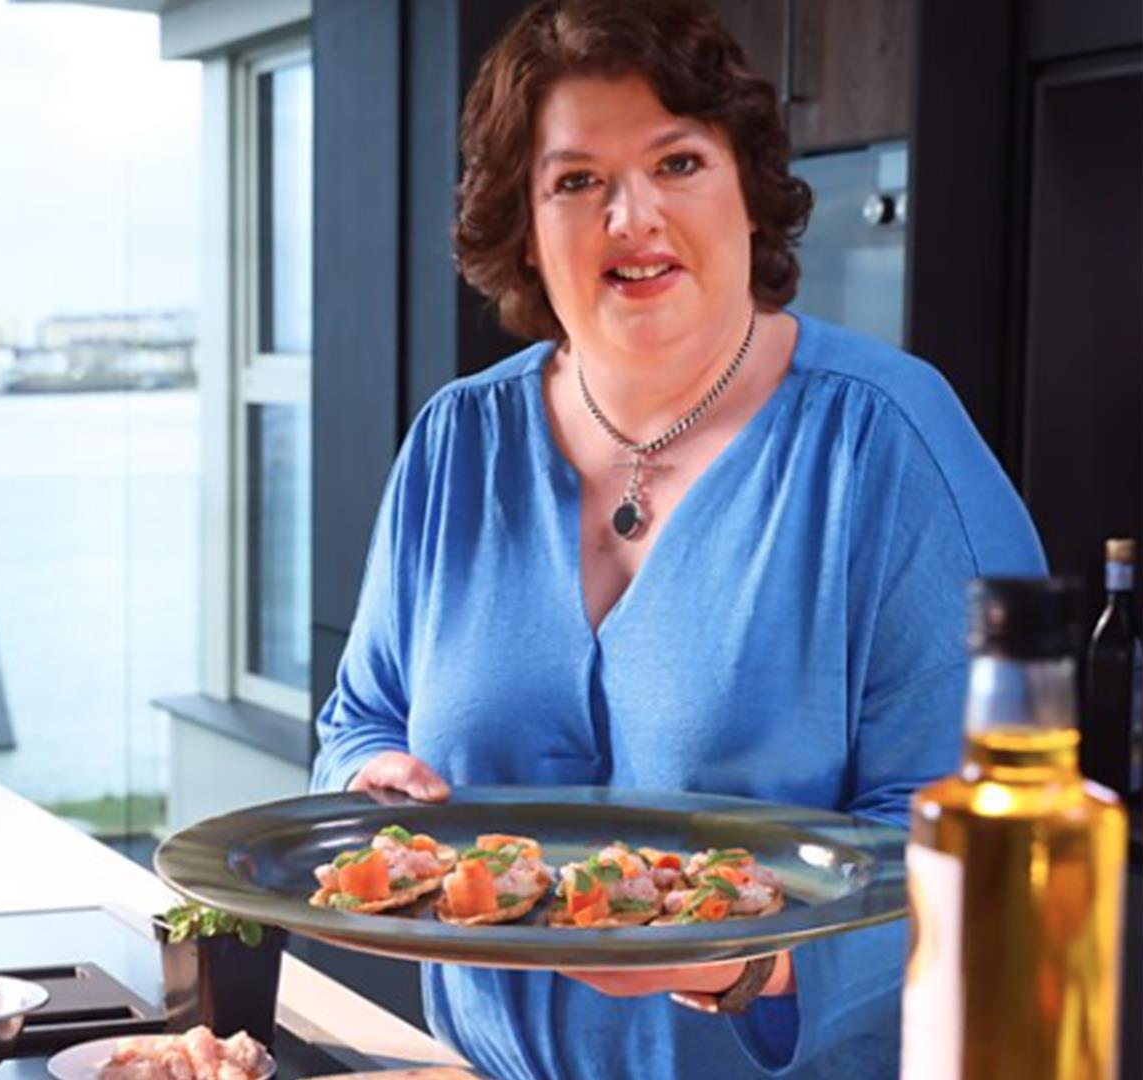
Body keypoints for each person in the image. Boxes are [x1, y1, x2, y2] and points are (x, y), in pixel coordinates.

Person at [309, 1, 1045, 1077]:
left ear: (748, 189)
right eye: (576, 181)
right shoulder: (454, 445)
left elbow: (991, 860)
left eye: (678, 161)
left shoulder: (887, 447)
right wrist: (373, 783)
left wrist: (738, 962)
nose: (631, 217)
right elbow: (359, 715)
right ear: (523, 227)